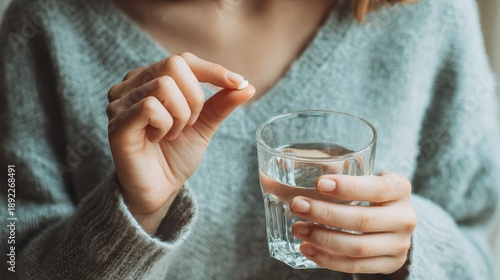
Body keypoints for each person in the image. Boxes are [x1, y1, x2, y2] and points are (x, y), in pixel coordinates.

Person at [1, 0, 499, 279]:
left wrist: (412, 252)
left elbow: (481, 249)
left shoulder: (428, 14)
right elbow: (11, 259)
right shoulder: (44, 25)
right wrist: (132, 211)